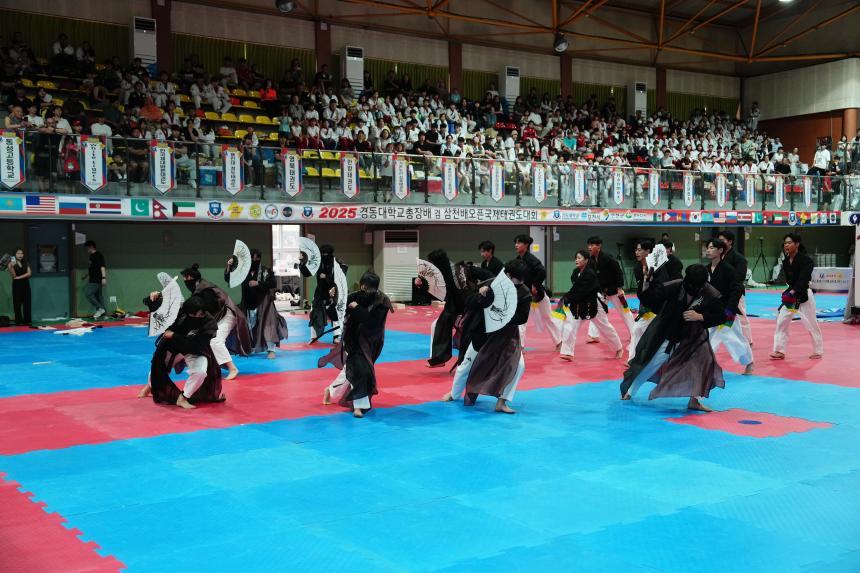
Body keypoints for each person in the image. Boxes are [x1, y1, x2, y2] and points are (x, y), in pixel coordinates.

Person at [621, 264, 727, 412]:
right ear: (686, 279)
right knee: (652, 362)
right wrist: (646, 284)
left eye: (697, 285)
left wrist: (701, 316)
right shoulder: (676, 286)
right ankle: (630, 391)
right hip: (669, 332)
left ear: (703, 283)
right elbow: (651, 299)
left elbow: (722, 316)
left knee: (704, 363)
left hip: (694, 337)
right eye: (691, 283)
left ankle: (695, 400)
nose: (693, 287)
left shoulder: (710, 293)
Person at [460, 259, 532, 414]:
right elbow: (470, 303)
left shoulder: (524, 292)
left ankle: (502, 401)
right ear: (508, 274)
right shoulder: (493, 284)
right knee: (467, 364)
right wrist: (481, 295)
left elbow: (523, 317)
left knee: (519, 366)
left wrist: (504, 318)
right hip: (484, 333)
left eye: (521, 280)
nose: (519, 283)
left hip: (508, 335)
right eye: (516, 279)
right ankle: (454, 394)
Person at [319, 272, 393, 418]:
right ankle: (359, 406)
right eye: (366, 288)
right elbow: (335, 315)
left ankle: (330, 390)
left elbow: (372, 323)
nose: (368, 291)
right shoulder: (354, 296)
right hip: (353, 339)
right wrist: (335, 298)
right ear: (362, 285)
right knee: (361, 370)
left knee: (351, 369)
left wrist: (357, 308)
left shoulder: (383, 301)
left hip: (373, 341)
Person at [137, 295, 226, 409]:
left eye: (201, 314)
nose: (198, 317)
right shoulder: (179, 311)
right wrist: (153, 298)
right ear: (188, 311)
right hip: (172, 346)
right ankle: (150, 387)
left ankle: (183, 398)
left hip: (195, 349)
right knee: (158, 369)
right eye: (194, 314)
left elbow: (196, 346)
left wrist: (174, 336)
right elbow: (156, 308)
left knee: (200, 372)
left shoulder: (209, 323)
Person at [182, 263, 251, 380]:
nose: (184, 281)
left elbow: (209, 308)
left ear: (190, 278)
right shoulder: (199, 288)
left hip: (227, 314)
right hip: (219, 315)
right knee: (204, 339)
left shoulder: (205, 289)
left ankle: (232, 368)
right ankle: (212, 367)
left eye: (185, 278)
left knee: (215, 340)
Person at [558, 250, 623, 362]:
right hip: (579, 305)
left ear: (586, 260)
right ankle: (567, 352)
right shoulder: (575, 272)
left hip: (594, 305)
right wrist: (567, 298)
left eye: (579, 258)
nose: (576, 260)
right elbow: (575, 288)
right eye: (576, 258)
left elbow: (581, 290)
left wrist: (568, 297)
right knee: (570, 326)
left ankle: (619, 348)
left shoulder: (590, 274)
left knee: (605, 327)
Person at [225, 248, 288, 359]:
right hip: (247, 302)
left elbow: (272, 282)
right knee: (248, 326)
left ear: (259, 258)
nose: (255, 259)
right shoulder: (242, 271)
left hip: (264, 303)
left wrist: (258, 283)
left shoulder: (265, 270)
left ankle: (271, 350)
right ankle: (249, 347)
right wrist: (229, 266)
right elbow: (229, 279)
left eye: (257, 257)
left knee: (269, 324)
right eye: (252, 257)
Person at [770, 234, 824, 360]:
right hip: (791, 297)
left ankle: (818, 350)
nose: (786, 245)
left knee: (811, 323)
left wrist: (793, 292)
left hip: (803, 295)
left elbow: (803, 280)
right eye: (785, 243)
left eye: (789, 243)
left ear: (797, 244)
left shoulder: (806, 261)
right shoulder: (785, 261)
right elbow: (790, 281)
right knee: (782, 320)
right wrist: (788, 292)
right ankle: (779, 350)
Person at [705, 238, 754, 375]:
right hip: (711, 311)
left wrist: (731, 309)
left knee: (734, 339)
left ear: (720, 250)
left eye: (712, 248)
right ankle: (705, 366)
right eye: (707, 248)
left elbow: (737, 290)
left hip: (727, 310)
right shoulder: (705, 270)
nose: (708, 250)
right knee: (707, 339)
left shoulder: (728, 269)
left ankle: (749, 362)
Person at [415, 249, 463, 368]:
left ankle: (440, 358)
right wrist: (421, 286)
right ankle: (439, 358)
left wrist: (461, 313)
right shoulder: (442, 272)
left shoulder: (455, 271)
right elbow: (435, 294)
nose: (433, 266)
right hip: (453, 305)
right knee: (439, 326)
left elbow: (458, 293)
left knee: (443, 324)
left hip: (462, 305)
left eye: (433, 262)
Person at [514, 234, 561, 348]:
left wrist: (535, 285)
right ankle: (520, 346)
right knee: (522, 320)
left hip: (537, 294)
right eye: (515, 243)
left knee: (548, 318)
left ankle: (559, 342)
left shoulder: (531, 259)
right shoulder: (518, 260)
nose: (516, 245)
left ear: (526, 245)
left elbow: (542, 272)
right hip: (524, 294)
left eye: (519, 243)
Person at [585, 236, 634, 343]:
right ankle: (594, 335)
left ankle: (634, 333)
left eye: (592, 245)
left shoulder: (608, 258)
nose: (589, 247)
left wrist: (620, 288)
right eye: (588, 245)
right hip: (602, 291)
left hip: (615, 290)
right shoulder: (591, 260)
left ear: (598, 246)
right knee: (596, 311)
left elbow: (618, 272)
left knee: (625, 312)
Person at [300, 244, 347, 343]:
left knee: (336, 312)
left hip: (334, 290)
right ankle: (314, 336)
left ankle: (337, 336)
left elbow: (342, 276)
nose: (323, 255)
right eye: (322, 253)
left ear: (330, 254)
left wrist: (327, 276)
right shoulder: (318, 262)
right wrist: (302, 262)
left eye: (325, 253)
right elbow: (307, 272)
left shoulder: (336, 263)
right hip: (320, 291)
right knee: (314, 312)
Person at [716, 230, 753, 345]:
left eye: (722, 240)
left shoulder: (738, 258)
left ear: (730, 242)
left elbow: (740, 276)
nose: (719, 243)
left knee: (741, 316)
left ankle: (747, 340)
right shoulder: (719, 256)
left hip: (735, 292)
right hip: (721, 293)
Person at [7, 248, 32, 325]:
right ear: (15, 254)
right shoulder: (11, 264)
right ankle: (19, 321)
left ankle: (27, 321)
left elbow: (29, 274)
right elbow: (14, 276)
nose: (20, 255)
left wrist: (19, 277)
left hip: (25, 284)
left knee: (27, 303)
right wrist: (11, 267)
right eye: (18, 253)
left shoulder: (25, 262)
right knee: (17, 304)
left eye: (22, 253)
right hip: (17, 285)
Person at [82, 241, 107, 319]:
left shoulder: (98, 255)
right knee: (98, 296)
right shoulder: (91, 256)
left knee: (88, 293)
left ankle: (100, 308)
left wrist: (104, 277)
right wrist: (86, 276)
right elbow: (91, 268)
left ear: (91, 247)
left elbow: (102, 266)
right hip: (92, 278)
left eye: (87, 248)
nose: (87, 249)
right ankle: (103, 314)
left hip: (97, 279)